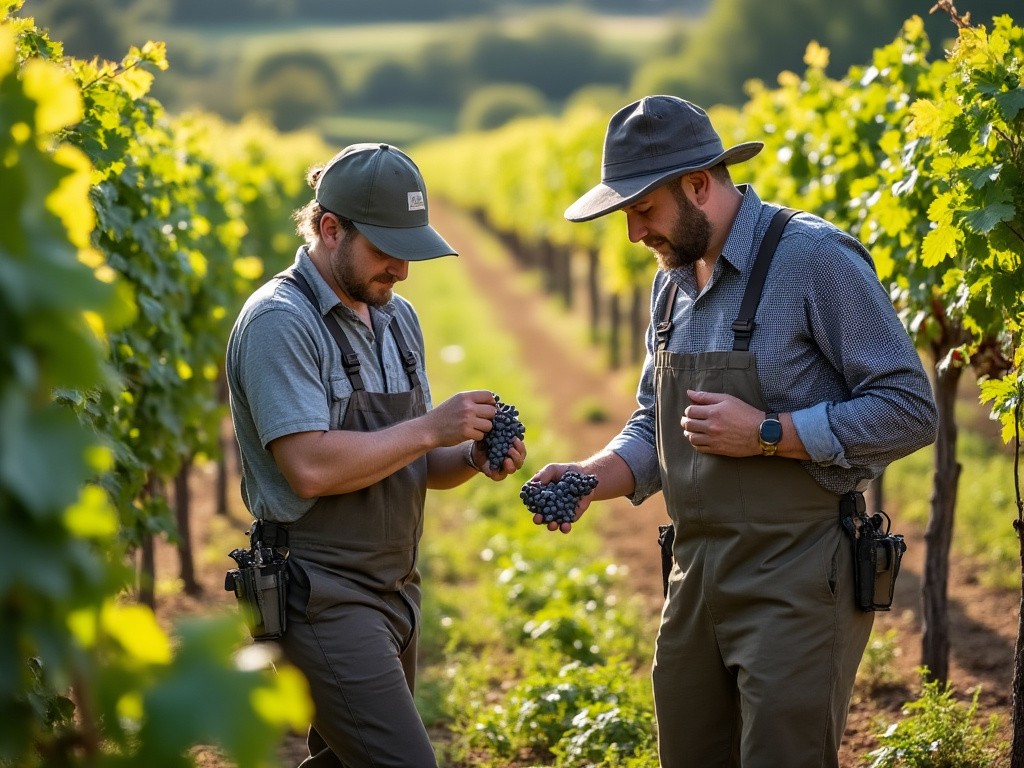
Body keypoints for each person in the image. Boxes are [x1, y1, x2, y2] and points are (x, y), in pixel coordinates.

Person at [530, 96, 937, 767]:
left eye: (642, 209)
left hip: (799, 577)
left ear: (698, 185)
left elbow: (907, 406)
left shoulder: (814, 260)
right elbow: (651, 421)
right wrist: (588, 477)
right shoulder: (669, 286)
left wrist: (770, 433)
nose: (633, 232)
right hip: (694, 575)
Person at [226, 142, 526, 768]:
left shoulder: (396, 318)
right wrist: (428, 428)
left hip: (395, 587)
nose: (403, 270)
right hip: (320, 592)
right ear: (329, 228)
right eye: (387, 250)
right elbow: (308, 468)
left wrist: (469, 456)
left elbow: (415, 467)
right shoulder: (281, 322)